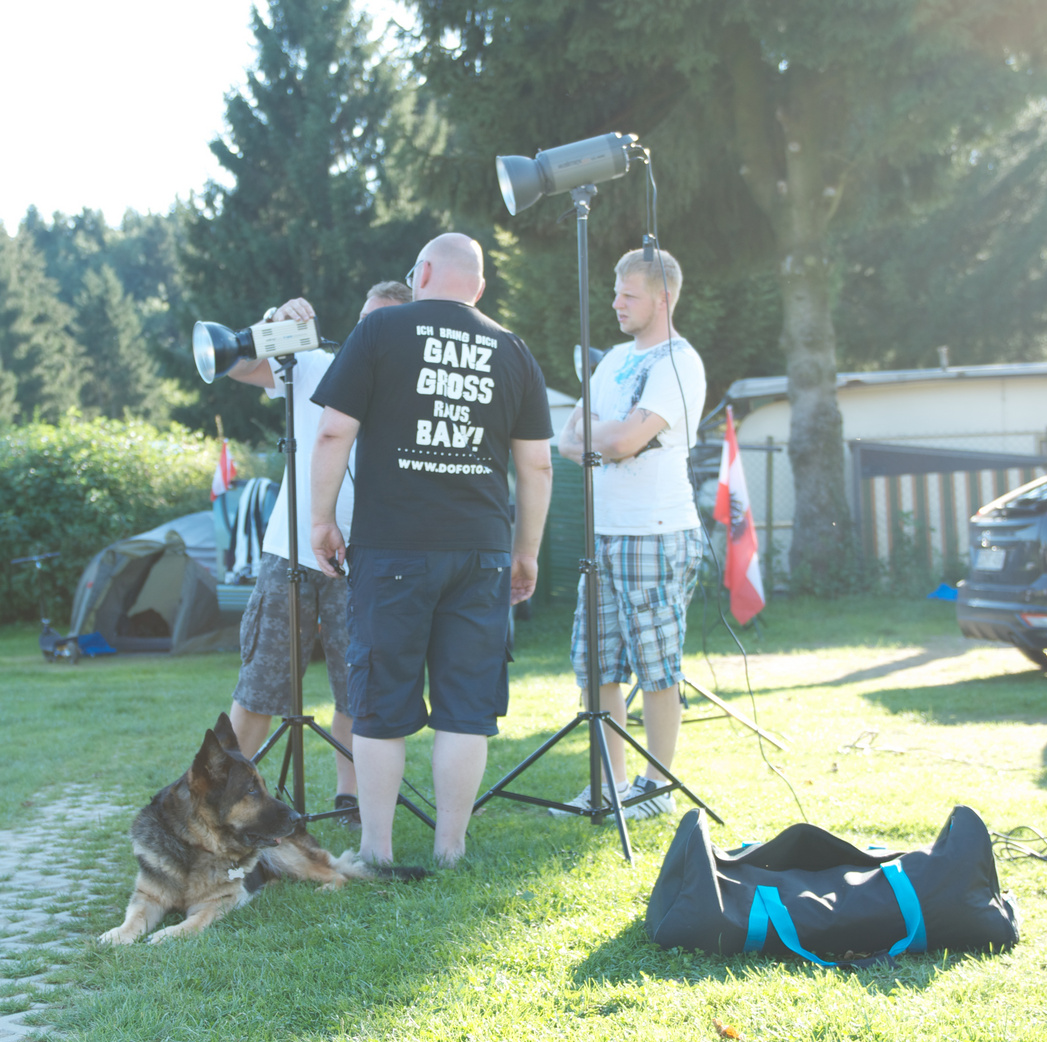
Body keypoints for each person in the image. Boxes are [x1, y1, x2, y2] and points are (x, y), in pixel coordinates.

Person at [307, 232, 555, 868]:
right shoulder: (513, 349)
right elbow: (537, 467)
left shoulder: (380, 333)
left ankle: (376, 851)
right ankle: (450, 849)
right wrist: (525, 552)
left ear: (421, 273)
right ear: (478, 286)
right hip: (483, 550)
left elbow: (335, 429)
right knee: (465, 708)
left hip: (393, 549)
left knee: (381, 704)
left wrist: (321, 520)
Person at [222, 282, 412, 825]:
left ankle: (350, 796)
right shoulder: (317, 364)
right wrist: (277, 323)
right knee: (262, 682)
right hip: (292, 553)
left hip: (367, 558)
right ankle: (229, 799)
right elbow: (238, 365)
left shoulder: (414, 389)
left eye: (381, 323)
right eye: (363, 321)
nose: (366, 334)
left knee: (359, 686)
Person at [554, 246, 707, 820]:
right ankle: (610, 786)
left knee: (657, 667)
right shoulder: (614, 358)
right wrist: (608, 433)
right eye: (616, 291)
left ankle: (656, 787)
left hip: (656, 534)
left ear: (662, 298)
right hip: (605, 535)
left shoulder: (677, 362)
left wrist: (607, 434)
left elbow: (617, 444)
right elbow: (569, 438)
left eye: (629, 295)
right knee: (597, 666)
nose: (616, 303)